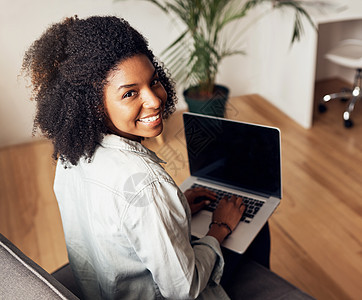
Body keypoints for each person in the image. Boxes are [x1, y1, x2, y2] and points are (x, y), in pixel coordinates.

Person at [22, 16, 269, 299]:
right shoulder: (146, 186)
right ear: (93, 107)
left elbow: (112, 225)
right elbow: (183, 289)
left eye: (154, 82)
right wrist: (219, 228)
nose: (155, 100)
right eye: (130, 93)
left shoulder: (70, 156)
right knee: (258, 228)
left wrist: (175, 212)